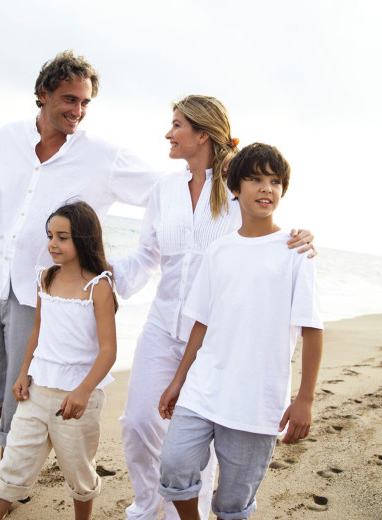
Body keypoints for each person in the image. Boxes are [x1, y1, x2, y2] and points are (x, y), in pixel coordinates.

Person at [0, 50, 158, 451]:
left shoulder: (102, 156)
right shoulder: (7, 138)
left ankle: (7, 489)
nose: (79, 110)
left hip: (44, 297)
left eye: (86, 102)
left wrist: (225, 180)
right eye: (70, 99)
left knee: (17, 397)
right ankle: (38, 428)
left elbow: (163, 192)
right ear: (44, 94)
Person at [110, 96, 316, 520]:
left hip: (215, 337)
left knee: (205, 436)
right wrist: (97, 274)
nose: (169, 133)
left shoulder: (235, 184)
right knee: (138, 423)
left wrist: (303, 237)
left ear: (202, 133)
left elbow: (261, 232)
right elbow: (147, 255)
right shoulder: (164, 189)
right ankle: (148, 506)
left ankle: (184, 514)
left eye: (176, 125)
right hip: (163, 323)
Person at [156, 143, 324, 520]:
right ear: (234, 187)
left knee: (233, 504)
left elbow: (313, 329)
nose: (266, 188)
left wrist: (305, 399)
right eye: (255, 179)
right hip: (204, 387)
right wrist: (179, 380)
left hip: (257, 399)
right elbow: (202, 321)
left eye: (275, 181)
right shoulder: (219, 250)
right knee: (174, 466)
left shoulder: (295, 251)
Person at [0, 201, 118, 520]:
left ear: (82, 239)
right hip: (36, 393)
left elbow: (109, 350)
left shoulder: (99, 286)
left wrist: (82, 391)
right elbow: (37, 331)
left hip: (77, 399)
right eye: (50, 235)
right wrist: (23, 373)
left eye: (62, 237)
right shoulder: (45, 278)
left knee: (79, 473)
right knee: (12, 464)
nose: (53, 243)